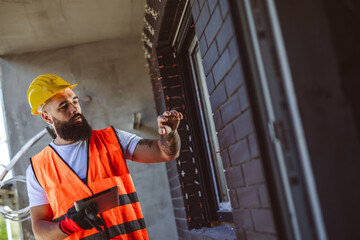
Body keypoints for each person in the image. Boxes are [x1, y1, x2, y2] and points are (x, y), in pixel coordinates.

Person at [25, 74, 182, 240]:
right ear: (47, 117)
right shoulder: (37, 169)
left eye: (75, 101)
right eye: (63, 106)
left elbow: (165, 152)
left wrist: (170, 134)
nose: (74, 109)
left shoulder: (112, 139)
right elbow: (40, 232)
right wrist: (68, 225)